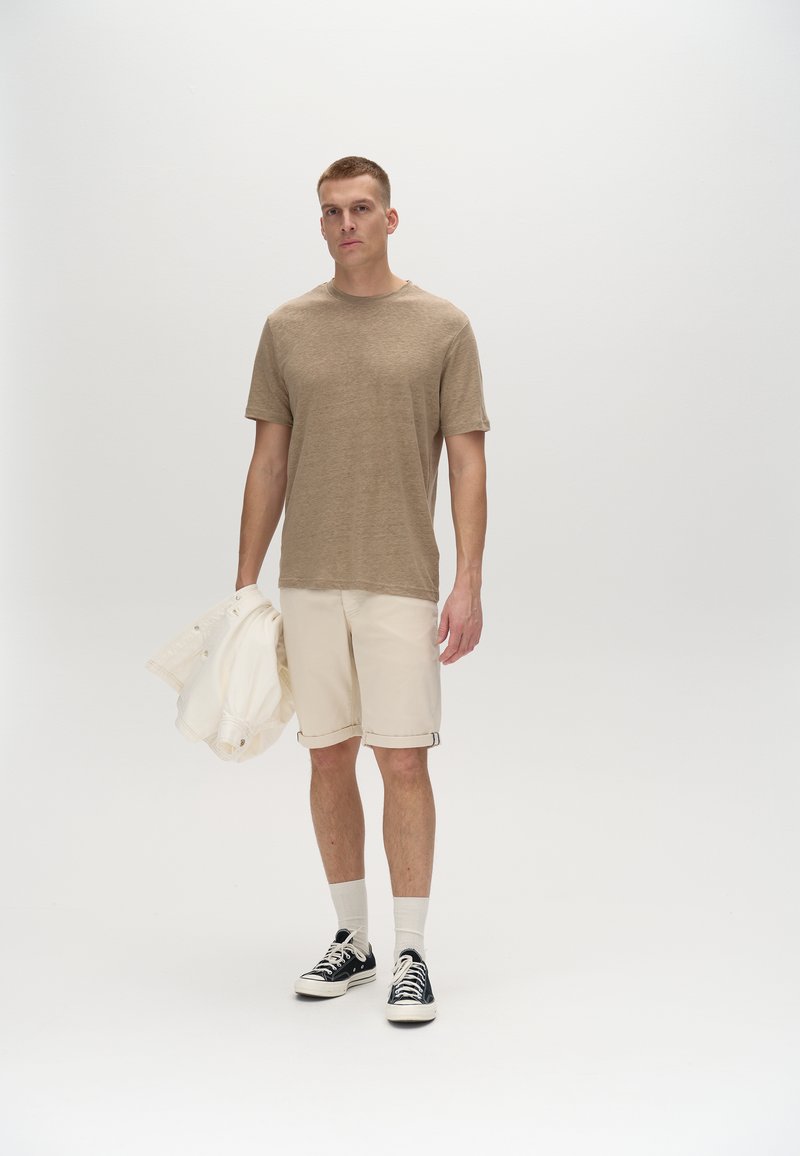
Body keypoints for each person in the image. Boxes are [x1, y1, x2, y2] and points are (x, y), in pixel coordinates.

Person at [236, 156, 490, 1023]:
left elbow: (467, 461)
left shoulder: (442, 326)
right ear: (320, 223)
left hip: (400, 579)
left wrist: (469, 580)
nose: (347, 222)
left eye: (362, 208)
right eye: (332, 211)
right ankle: (353, 940)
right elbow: (268, 462)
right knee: (327, 756)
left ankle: (411, 951)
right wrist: (244, 587)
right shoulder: (287, 327)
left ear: (390, 218)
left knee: (403, 759)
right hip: (309, 578)